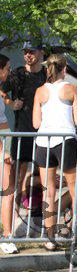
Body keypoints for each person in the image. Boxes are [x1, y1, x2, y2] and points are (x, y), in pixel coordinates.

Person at [32, 54, 77, 250]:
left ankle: (50, 239)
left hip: (44, 142)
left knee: (48, 192)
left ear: (48, 69)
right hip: (66, 141)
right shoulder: (71, 89)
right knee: (76, 190)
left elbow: (36, 123)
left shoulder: (40, 91)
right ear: (65, 69)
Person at [1, 42, 47, 250]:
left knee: (41, 179)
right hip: (21, 134)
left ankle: (38, 220)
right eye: (25, 52)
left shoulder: (46, 74)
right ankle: (10, 227)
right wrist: (12, 104)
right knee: (15, 183)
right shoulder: (17, 74)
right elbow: (2, 92)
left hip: (43, 134)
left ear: (40, 53)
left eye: (31, 52)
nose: (28, 55)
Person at [0, 53, 18, 254]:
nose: (9, 71)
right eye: (7, 68)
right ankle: (6, 236)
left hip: (5, 144)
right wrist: (4, 150)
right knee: (8, 191)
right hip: (1, 147)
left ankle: (7, 234)